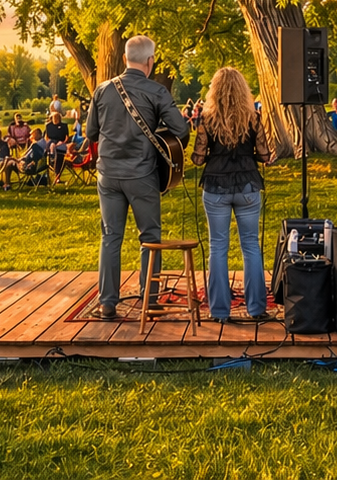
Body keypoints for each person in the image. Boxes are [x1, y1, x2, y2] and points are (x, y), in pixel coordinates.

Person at [84, 34, 190, 320]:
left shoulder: (103, 89)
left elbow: (91, 133)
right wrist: (157, 137)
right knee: (150, 237)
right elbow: (180, 130)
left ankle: (107, 303)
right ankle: (150, 300)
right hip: (142, 173)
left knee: (110, 237)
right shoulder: (157, 92)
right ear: (151, 61)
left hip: (107, 174)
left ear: (124, 59)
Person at [191, 66, 273, 323]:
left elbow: (198, 158)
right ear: (242, 90)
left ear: (214, 90)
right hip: (247, 185)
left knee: (217, 247)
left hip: (215, 187)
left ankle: (219, 311)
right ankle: (257, 308)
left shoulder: (206, 119)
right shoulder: (253, 118)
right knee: (251, 246)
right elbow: (264, 155)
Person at [43, 109, 71, 178]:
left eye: (57, 118)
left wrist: (63, 142)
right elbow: (46, 137)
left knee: (57, 150)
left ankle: (56, 169)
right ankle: (50, 158)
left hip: (61, 142)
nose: (55, 119)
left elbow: (66, 137)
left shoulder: (64, 126)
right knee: (51, 144)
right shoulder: (48, 126)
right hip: (51, 141)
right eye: (54, 118)